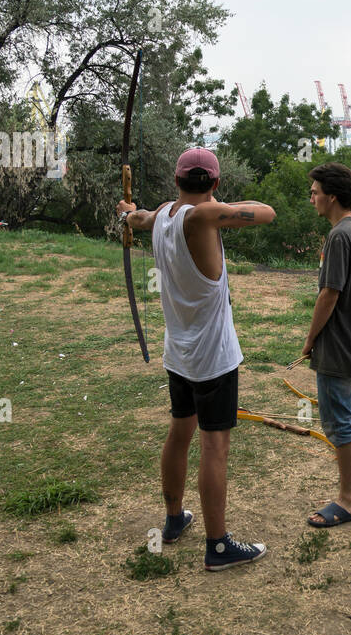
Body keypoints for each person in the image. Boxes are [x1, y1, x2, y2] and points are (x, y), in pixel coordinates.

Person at [116, 147, 275, 571]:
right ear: (216, 184)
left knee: (179, 434)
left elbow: (137, 217)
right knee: (214, 445)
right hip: (212, 359)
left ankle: (173, 519)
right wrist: (217, 205)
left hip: (180, 356)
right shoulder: (205, 215)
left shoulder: (163, 214)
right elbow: (268, 213)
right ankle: (218, 545)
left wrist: (127, 214)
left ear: (176, 180)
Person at [302, 162, 351, 528]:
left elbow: (329, 293)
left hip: (338, 345)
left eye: (315, 191)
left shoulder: (337, 236)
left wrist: (311, 337)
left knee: (340, 421)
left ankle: (348, 500)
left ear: (332, 197)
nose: (312, 197)